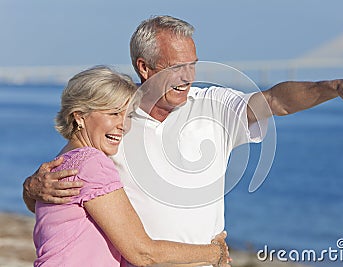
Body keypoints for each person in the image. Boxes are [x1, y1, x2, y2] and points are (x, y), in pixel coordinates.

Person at [23, 16, 343, 266]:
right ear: (144, 67)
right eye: (175, 68)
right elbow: (62, 188)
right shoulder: (114, 117)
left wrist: (335, 87)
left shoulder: (213, 105)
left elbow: (276, 100)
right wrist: (31, 186)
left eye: (193, 64)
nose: (188, 77)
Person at [31, 65, 229, 266]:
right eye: (114, 113)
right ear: (80, 116)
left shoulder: (61, 162)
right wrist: (214, 253)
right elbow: (143, 253)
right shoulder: (92, 164)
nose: (124, 125)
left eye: (128, 115)